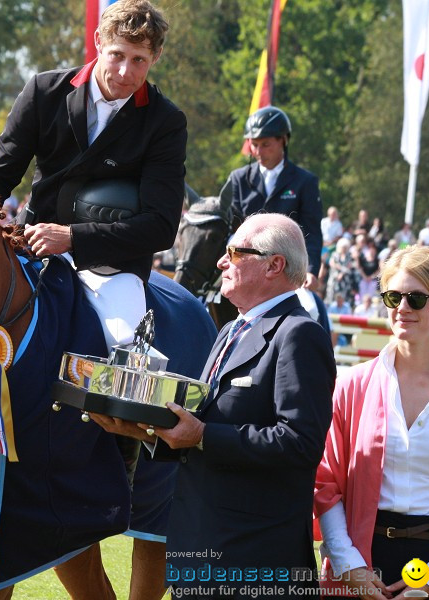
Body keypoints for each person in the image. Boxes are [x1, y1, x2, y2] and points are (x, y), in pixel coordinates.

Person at [96, 213, 337, 598]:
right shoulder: (230, 329)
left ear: (275, 265)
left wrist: (204, 435)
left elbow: (300, 442)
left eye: (235, 252)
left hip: (254, 562)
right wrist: (144, 433)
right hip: (201, 554)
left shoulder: (299, 333)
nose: (221, 262)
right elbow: (199, 435)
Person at [0, 0, 184, 350]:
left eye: (139, 60)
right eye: (118, 55)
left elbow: (161, 226)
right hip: (31, 245)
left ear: (157, 57)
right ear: (98, 42)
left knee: (125, 350)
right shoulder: (43, 92)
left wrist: (73, 237)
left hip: (115, 270)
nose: (125, 72)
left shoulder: (166, 123)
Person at [315, 245, 429, 600]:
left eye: (416, 298)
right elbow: (327, 483)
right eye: (392, 296)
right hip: (362, 563)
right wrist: (348, 564)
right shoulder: (352, 385)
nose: (402, 308)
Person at [221, 106, 324, 289]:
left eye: (265, 145)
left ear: (283, 140)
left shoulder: (305, 181)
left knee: (310, 308)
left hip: (289, 270)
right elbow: (231, 229)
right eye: (254, 144)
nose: (258, 151)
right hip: (245, 268)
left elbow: (312, 232)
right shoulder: (238, 179)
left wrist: (311, 270)